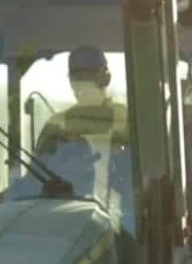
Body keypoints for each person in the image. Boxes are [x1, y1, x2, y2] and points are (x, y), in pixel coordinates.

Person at [35, 46, 129, 203]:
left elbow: (145, 179)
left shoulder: (126, 120)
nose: (83, 84)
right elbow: (34, 180)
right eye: (78, 77)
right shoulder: (56, 125)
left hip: (124, 222)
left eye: (90, 77)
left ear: (106, 78)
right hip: (67, 214)